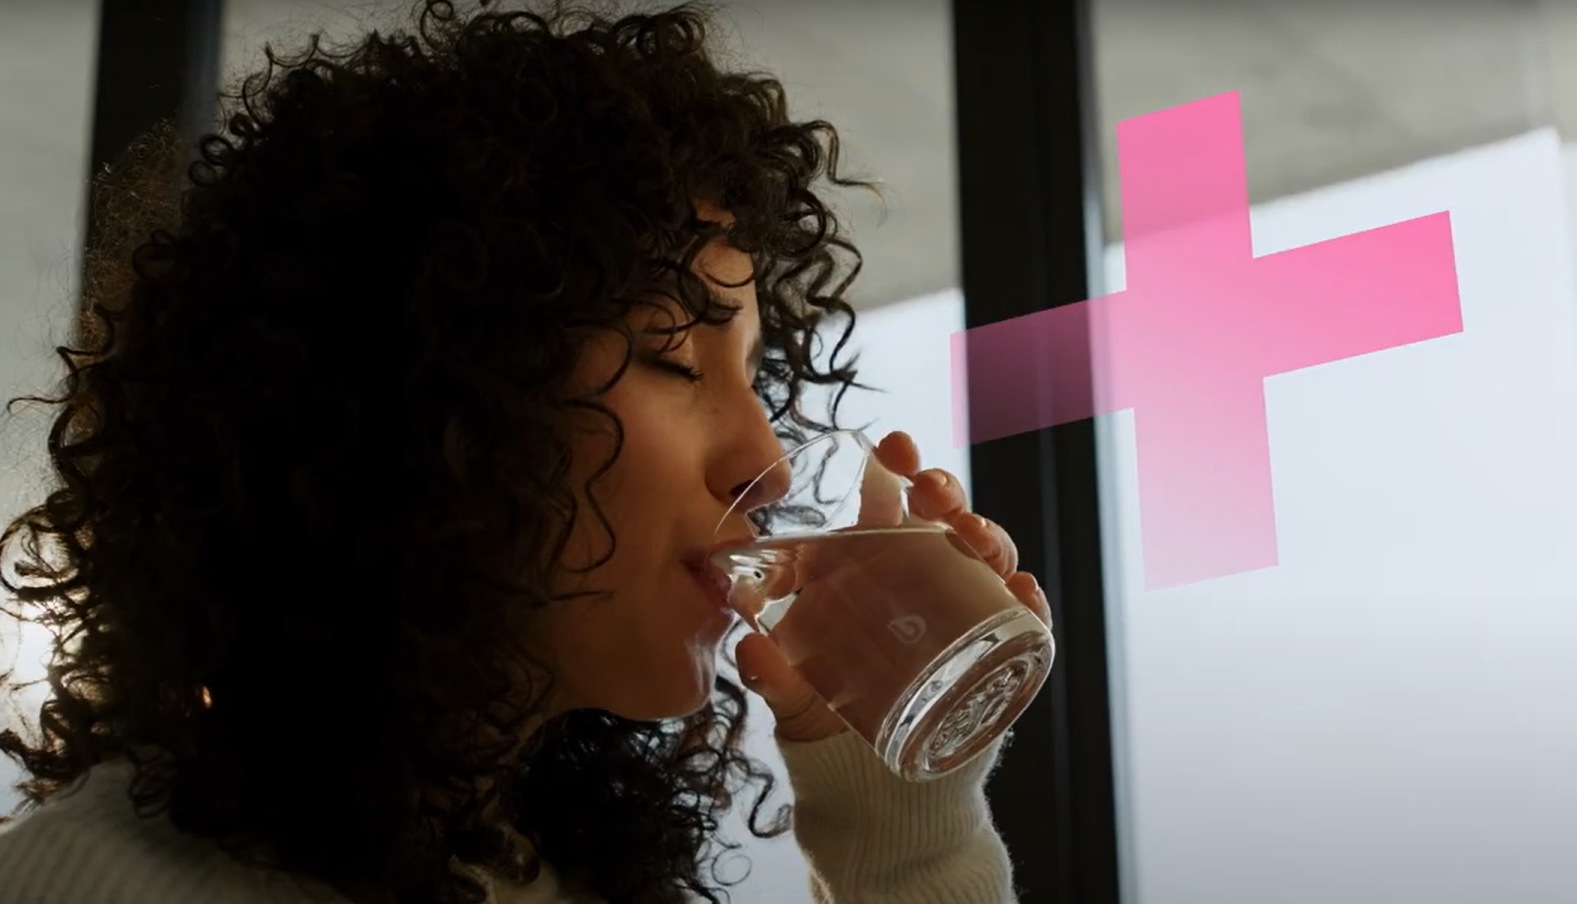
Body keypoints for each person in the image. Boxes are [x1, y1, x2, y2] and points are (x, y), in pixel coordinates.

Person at [0, 2, 1050, 902]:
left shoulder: (549, 872)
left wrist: (908, 824)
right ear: (429, 401)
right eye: (672, 358)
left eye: (756, 376)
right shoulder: (98, 880)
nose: (769, 465)